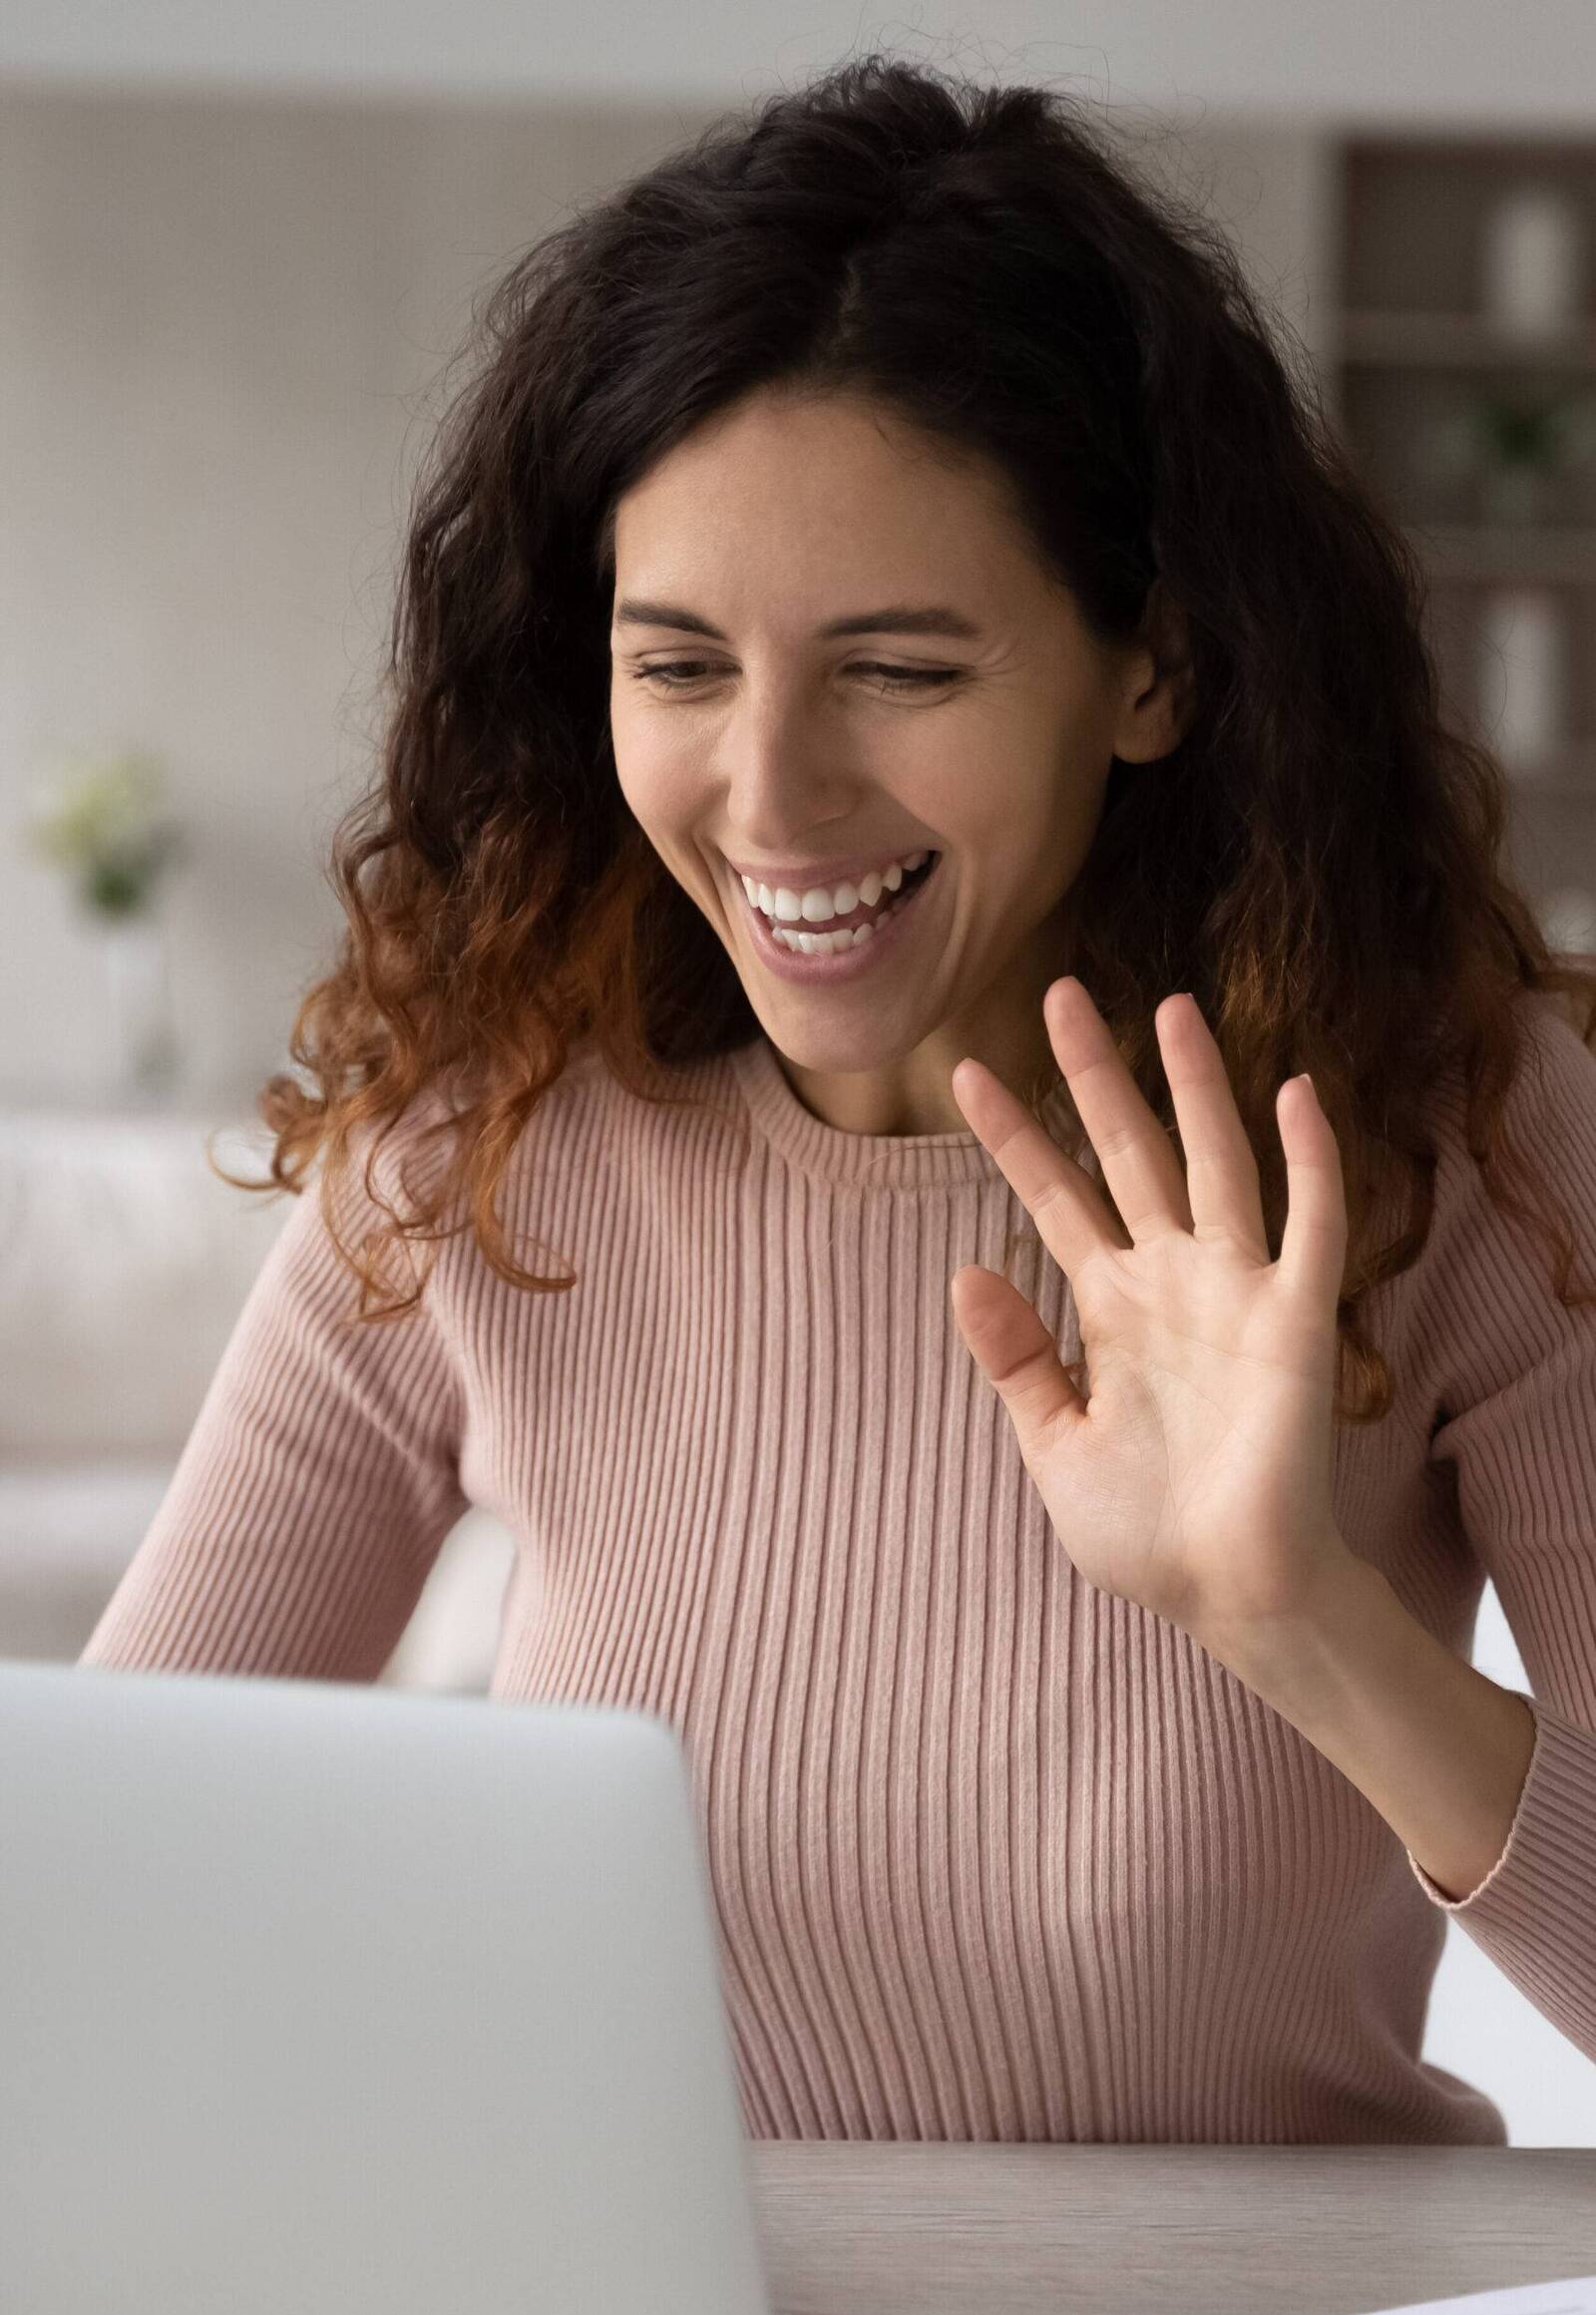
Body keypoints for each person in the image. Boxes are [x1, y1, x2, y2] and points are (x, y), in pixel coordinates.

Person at [81, 54, 1596, 2143]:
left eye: (899, 666)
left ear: (1148, 663)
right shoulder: (481, 1137)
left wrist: (1295, 1619)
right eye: (678, 663)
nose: (768, 796)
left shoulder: (1456, 1130)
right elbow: (97, 1886)